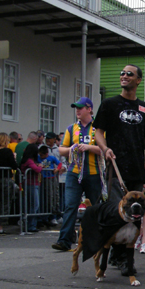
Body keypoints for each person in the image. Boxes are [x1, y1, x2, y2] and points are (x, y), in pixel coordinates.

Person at [94, 64, 145, 276]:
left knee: (135, 214)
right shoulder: (109, 104)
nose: (124, 76)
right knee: (118, 212)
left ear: (138, 80)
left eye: (129, 74)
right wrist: (105, 149)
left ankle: (119, 255)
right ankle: (120, 257)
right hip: (116, 168)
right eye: (122, 73)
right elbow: (98, 132)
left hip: (137, 169)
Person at [52, 97, 103, 253]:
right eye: (76, 108)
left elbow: (105, 149)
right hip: (74, 173)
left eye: (80, 108)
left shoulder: (99, 128)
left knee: (94, 208)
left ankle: (93, 240)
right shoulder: (71, 128)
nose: (78, 111)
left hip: (94, 173)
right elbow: (61, 149)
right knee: (70, 206)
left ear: (89, 109)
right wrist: (72, 149)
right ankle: (64, 240)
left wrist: (88, 147)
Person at [0, 132, 19, 236]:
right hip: (6, 178)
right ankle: (1, 226)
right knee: (6, 203)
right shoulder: (7, 151)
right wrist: (14, 158)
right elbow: (14, 165)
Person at [20, 144, 43, 234]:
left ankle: (31, 224)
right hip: (31, 184)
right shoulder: (29, 161)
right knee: (34, 205)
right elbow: (37, 169)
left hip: (31, 184)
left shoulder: (27, 160)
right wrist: (40, 166)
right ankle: (31, 225)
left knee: (31, 205)